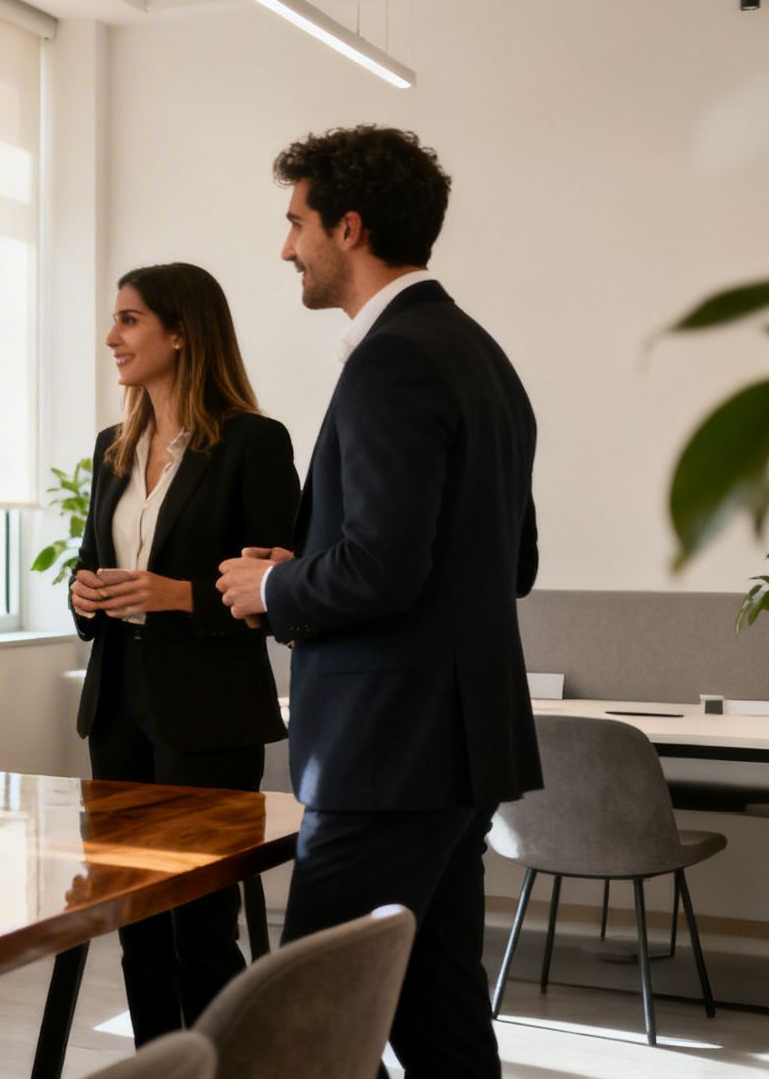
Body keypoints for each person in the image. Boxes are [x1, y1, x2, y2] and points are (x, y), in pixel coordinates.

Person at [216, 125, 540, 1077]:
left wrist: (273, 585)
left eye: (296, 224)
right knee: (436, 1013)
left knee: (302, 1026)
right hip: (455, 749)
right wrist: (314, 554)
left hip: (385, 756)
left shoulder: (391, 359)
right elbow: (503, 562)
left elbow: (386, 572)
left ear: (348, 228)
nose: (286, 249)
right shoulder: (481, 356)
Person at [68, 262, 299, 1045]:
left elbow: (281, 589)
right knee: (134, 914)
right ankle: (156, 1064)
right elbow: (91, 557)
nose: (112, 337)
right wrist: (84, 595)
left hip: (208, 708)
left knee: (198, 921)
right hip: (118, 701)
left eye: (129, 320)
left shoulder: (253, 443)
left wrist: (181, 595)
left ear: (182, 332)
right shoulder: (113, 446)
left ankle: (223, 1064)